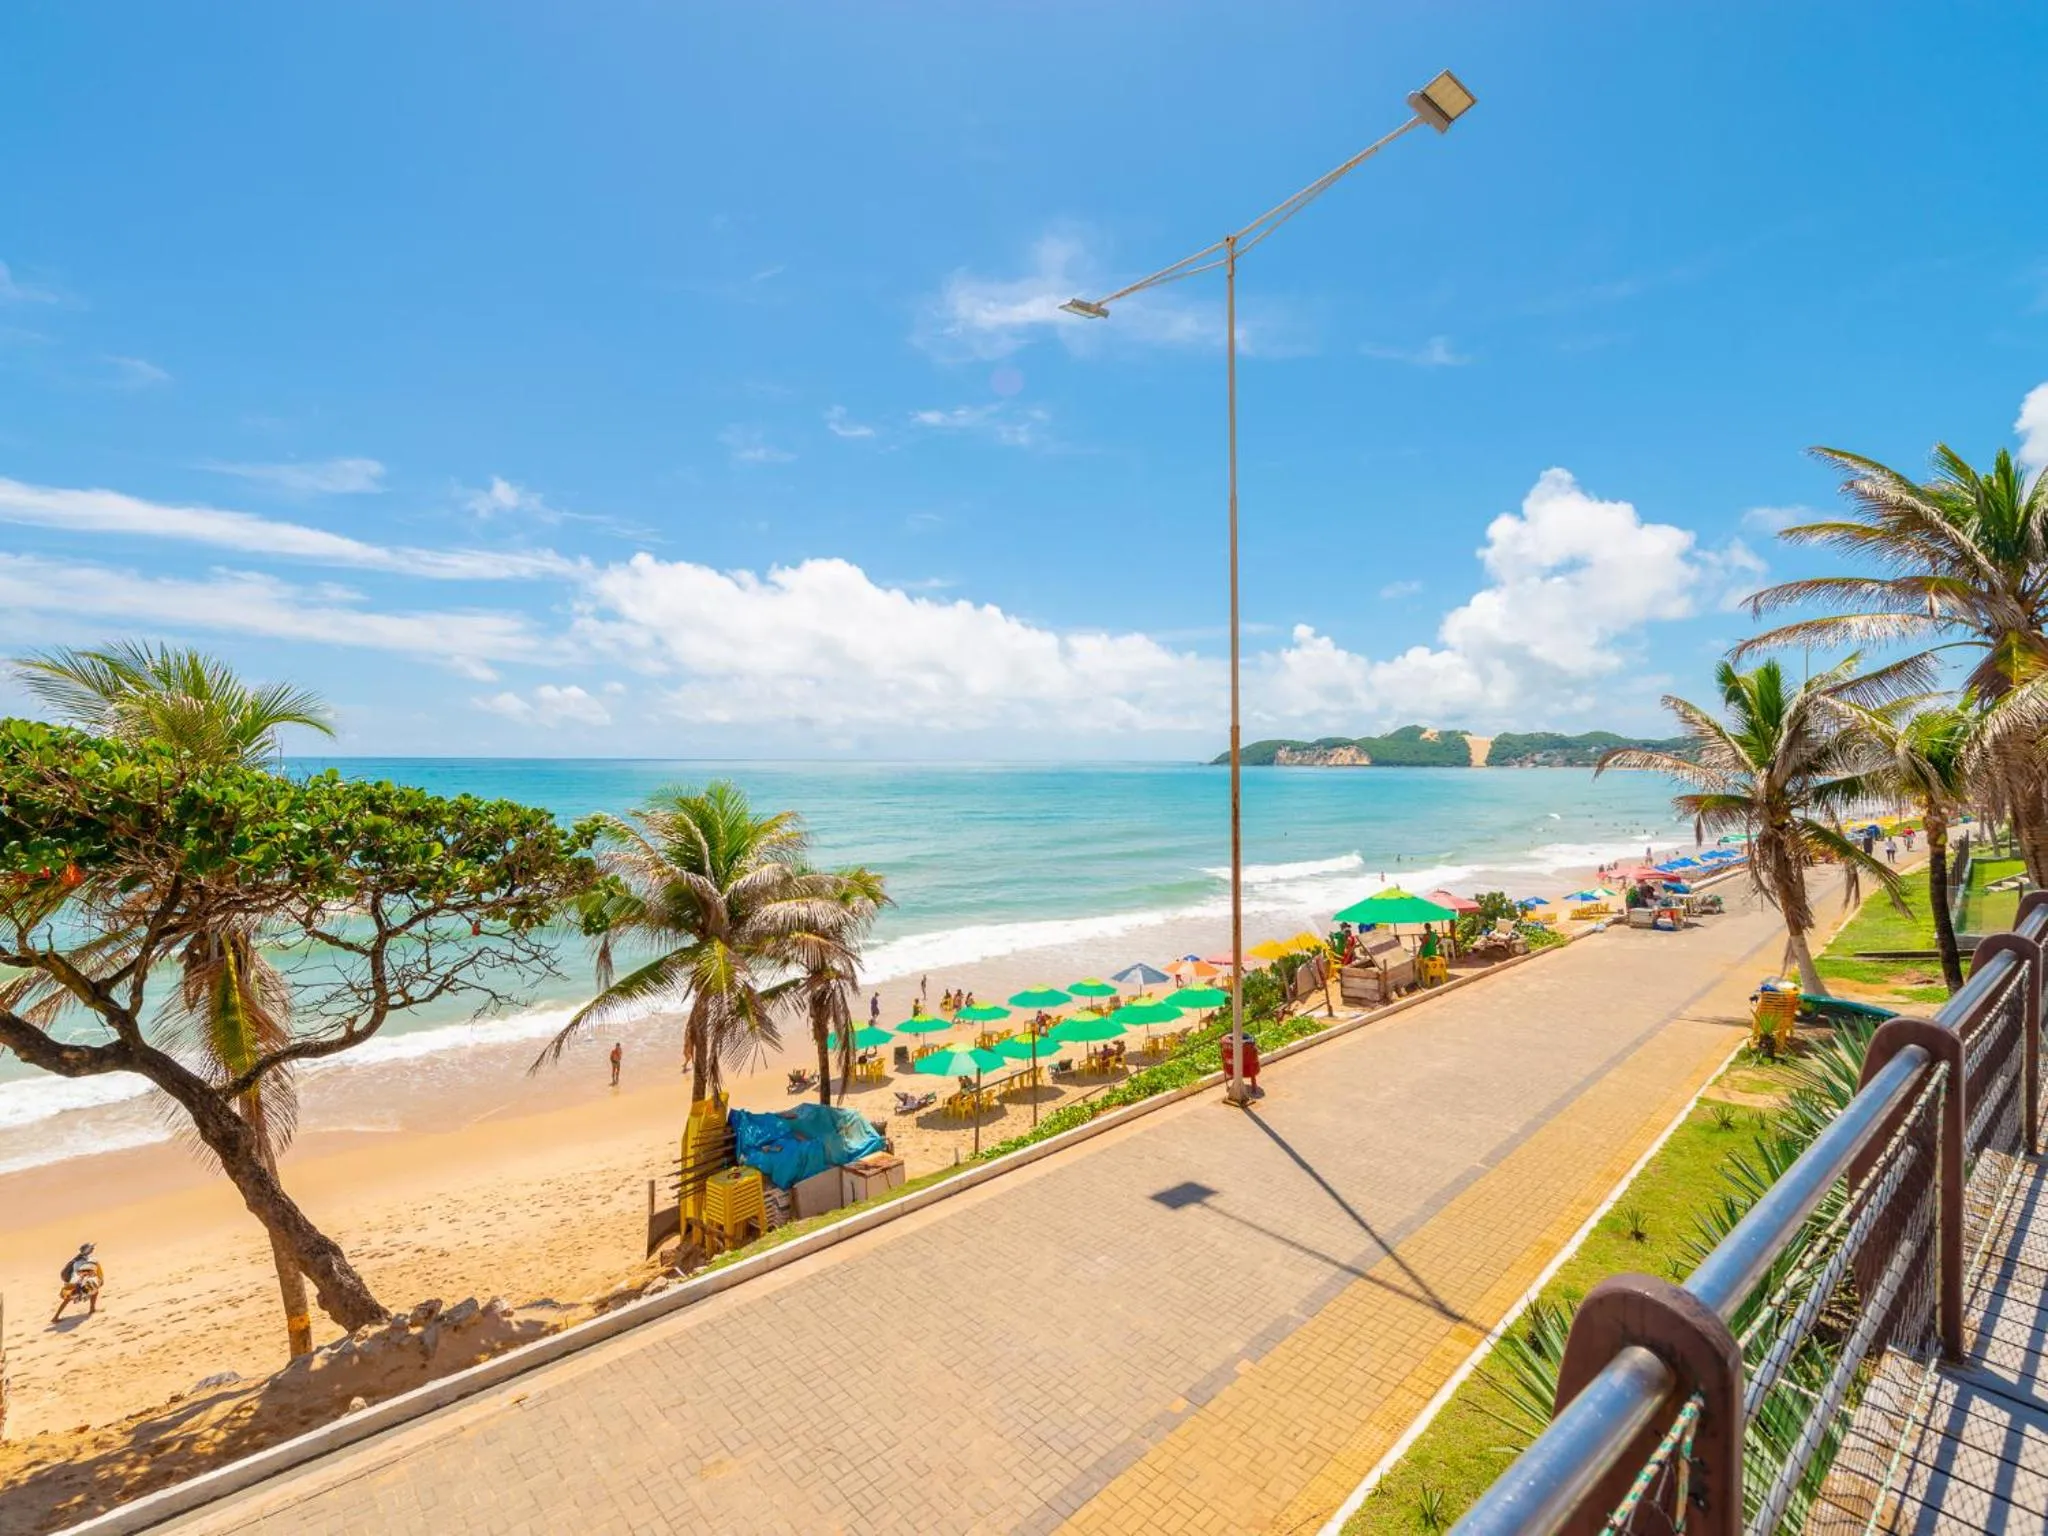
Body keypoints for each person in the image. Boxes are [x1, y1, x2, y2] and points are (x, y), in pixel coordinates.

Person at [53, 1242, 103, 1323]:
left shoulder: (82, 1258)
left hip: (79, 1281)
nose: (93, 1249)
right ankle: (55, 1318)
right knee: (68, 1298)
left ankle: (92, 1309)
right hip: (77, 1282)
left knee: (95, 1291)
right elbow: (79, 1272)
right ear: (87, 1250)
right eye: (91, 1248)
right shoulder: (80, 1261)